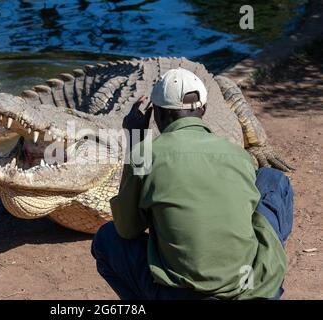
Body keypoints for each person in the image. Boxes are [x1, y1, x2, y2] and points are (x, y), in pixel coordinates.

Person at [91, 68, 293, 300]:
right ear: (204, 109)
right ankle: (268, 269)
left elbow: (126, 230)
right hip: (253, 290)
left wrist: (136, 138)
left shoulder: (145, 156)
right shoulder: (239, 155)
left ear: (156, 113)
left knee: (107, 238)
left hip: (178, 295)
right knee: (274, 179)